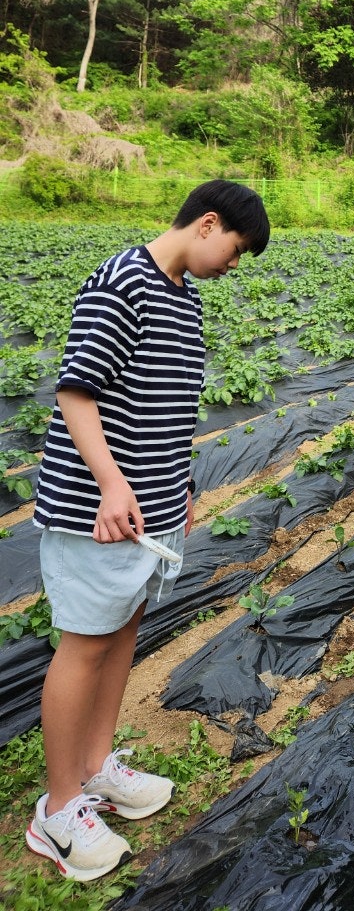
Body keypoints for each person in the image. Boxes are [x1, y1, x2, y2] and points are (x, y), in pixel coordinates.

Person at [27, 180, 270, 881]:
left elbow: (167, 403)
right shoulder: (121, 282)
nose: (233, 265)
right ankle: (60, 808)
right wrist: (110, 483)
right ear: (207, 223)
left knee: (124, 631)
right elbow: (77, 392)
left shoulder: (183, 296)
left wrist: (181, 484)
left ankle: (98, 768)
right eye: (235, 249)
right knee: (85, 644)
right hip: (97, 512)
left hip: (153, 513)